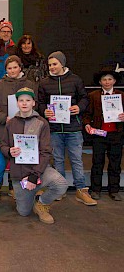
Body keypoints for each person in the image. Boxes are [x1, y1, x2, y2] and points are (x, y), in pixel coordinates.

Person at [0, 87, 68, 224]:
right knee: (24, 212)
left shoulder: (42, 123)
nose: (24, 103)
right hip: (19, 174)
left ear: (33, 103)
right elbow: (3, 145)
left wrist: (34, 176)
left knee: (61, 184)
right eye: (21, 100)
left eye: (28, 100)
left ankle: (41, 203)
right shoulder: (10, 123)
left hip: (39, 170)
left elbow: (46, 151)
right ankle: (30, 195)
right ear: (17, 103)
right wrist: (9, 151)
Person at [38, 51, 97, 206]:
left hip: (73, 128)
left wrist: (79, 107)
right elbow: (41, 102)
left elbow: (85, 97)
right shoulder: (44, 83)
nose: (52, 67)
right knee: (57, 159)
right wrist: (44, 111)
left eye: (55, 64)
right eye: (50, 64)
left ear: (62, 64)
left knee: (76, 159)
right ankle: (60, 189)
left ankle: (81, 190)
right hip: (55, 128)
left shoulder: (75, 79)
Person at [0, 55, 38, 199]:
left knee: (18, 158)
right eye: (9, 68)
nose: (12, 70)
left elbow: (37, 103)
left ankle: (14, 187)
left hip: (24, 129)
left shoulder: (30, 84)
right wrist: (4, 118)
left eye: (15, 67)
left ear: (20, 67)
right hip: (2, 128)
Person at [83, 67, 124, 201]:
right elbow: (87, 114)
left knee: (115, 163)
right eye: (104, 80)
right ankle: (95, 189)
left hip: (116, 134)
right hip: (99, 134)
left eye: (110, 79)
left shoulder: (121, 95)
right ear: (100, 82)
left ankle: (114, 190)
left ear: (114, 81)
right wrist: (87, 124)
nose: (107, 82)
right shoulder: (93, 96)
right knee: (97, 162)